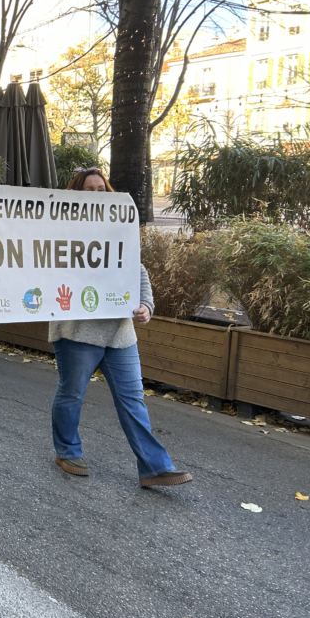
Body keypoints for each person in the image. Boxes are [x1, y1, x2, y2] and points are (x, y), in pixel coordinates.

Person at [50, 168, 192, 488]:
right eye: (89, 189)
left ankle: (153, 467)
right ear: (76, 194)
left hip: (119, 331)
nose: (97, 194)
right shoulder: (60, 229)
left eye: (102, 189)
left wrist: (146, 305)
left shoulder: (120, 229)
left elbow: (137, 271)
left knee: (133, 399)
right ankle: (67, 451)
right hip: (77, 329)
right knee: (72, 394)